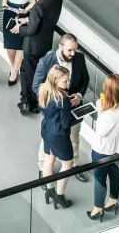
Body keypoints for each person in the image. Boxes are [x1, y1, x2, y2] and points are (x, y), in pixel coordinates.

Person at [33, 34, 90, 184]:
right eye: (70, 50)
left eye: (75, 50)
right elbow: (36, 86)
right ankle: (42, 167)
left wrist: (78, 95)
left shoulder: (79, 58)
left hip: (74, 107)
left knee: (74, 139)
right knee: (48, 141)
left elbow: (85, 79)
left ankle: (73, 165)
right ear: (61, 47)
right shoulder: (46, 62)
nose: (73, 53)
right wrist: (55, 100)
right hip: (54, 112)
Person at [87, 74, 119, 221]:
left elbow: (101, 132)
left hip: (103, 150)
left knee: (99, 178)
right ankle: (113, 200)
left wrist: (100, 110)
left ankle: (98, 208)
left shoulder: (109, 115)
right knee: (114, 171)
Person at [11, 0, 63, 114]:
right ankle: (35, 100)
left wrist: (19, 28)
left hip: (32, 46)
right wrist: (28, 19)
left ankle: (28, 103)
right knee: (37, 72)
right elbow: (43, 17)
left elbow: (31, 30)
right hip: (45, 43)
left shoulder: (39, 5)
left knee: (28, 73)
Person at [39, 65, 74, 209]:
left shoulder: (44, 90)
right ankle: (60, 195)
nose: (68, 83)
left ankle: (49, 190)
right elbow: (66, 123)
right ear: (55, 80)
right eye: (65, 81)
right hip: (59, 135)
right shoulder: (63, 99)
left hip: (47, 130)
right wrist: (77, 114)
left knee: (49, 159)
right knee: (68, 165)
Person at [2, 0, 36, 86]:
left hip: (22, 11)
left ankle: (14, 72)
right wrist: (4, 1)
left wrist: (25, 10)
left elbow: (34, 1)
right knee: (9, 44)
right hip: (9, 10)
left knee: (20, 44)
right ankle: (14, 68)